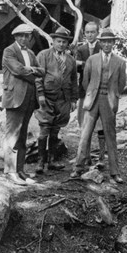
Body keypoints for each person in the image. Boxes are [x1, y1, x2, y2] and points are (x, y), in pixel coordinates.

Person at [71, 29, 126, 183]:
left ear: (113, 43)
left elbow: (121, 84)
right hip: (92, 100)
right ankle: (78, 167)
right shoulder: (92, 59)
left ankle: (115, 172)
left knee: (110, 135)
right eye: (104, 41)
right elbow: (85, 81)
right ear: (100, 43)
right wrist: (91, 93)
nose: (107, 44)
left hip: (108, 102)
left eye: (110, 41)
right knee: (85, 134)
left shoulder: (120, 62)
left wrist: (111, 95)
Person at [1, 24, 44, 186]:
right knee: (12, 135)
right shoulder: (9, 51)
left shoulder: (31, 53)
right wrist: (33, 72)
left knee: (22, 136)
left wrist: (31, 69)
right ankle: (10, 171)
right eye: (21, 36)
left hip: (29, 98)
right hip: (14, 98)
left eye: (27, 36)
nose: (24, 39)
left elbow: (42, 71)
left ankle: (20, 170)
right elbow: (18, 70)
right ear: (15, 36)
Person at [34, 27, 78, 174]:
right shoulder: (44, 55)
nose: (61, 44)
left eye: (64, 42)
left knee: (55, 130)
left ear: (67, 44)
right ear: (52, 41)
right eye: (58, 41)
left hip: (62, 99)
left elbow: (74, 80)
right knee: (44, 129)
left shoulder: (71, 60)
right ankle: (40, 161)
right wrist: (40, 94)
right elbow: (38, 76)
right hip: (47, 97)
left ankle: (52, 161)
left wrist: (73, 99)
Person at [75, 21, 106, 166]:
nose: (89, 35)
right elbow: (76, 66)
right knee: (84, 123)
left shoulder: (103, 47)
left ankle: (101, 156)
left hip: (100, 91)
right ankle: (85, 155)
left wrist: (84, 64)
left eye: (92, 32)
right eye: (87, 32)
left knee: (101, 125)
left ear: (98, 32)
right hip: (84, 91)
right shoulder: (81, 49)